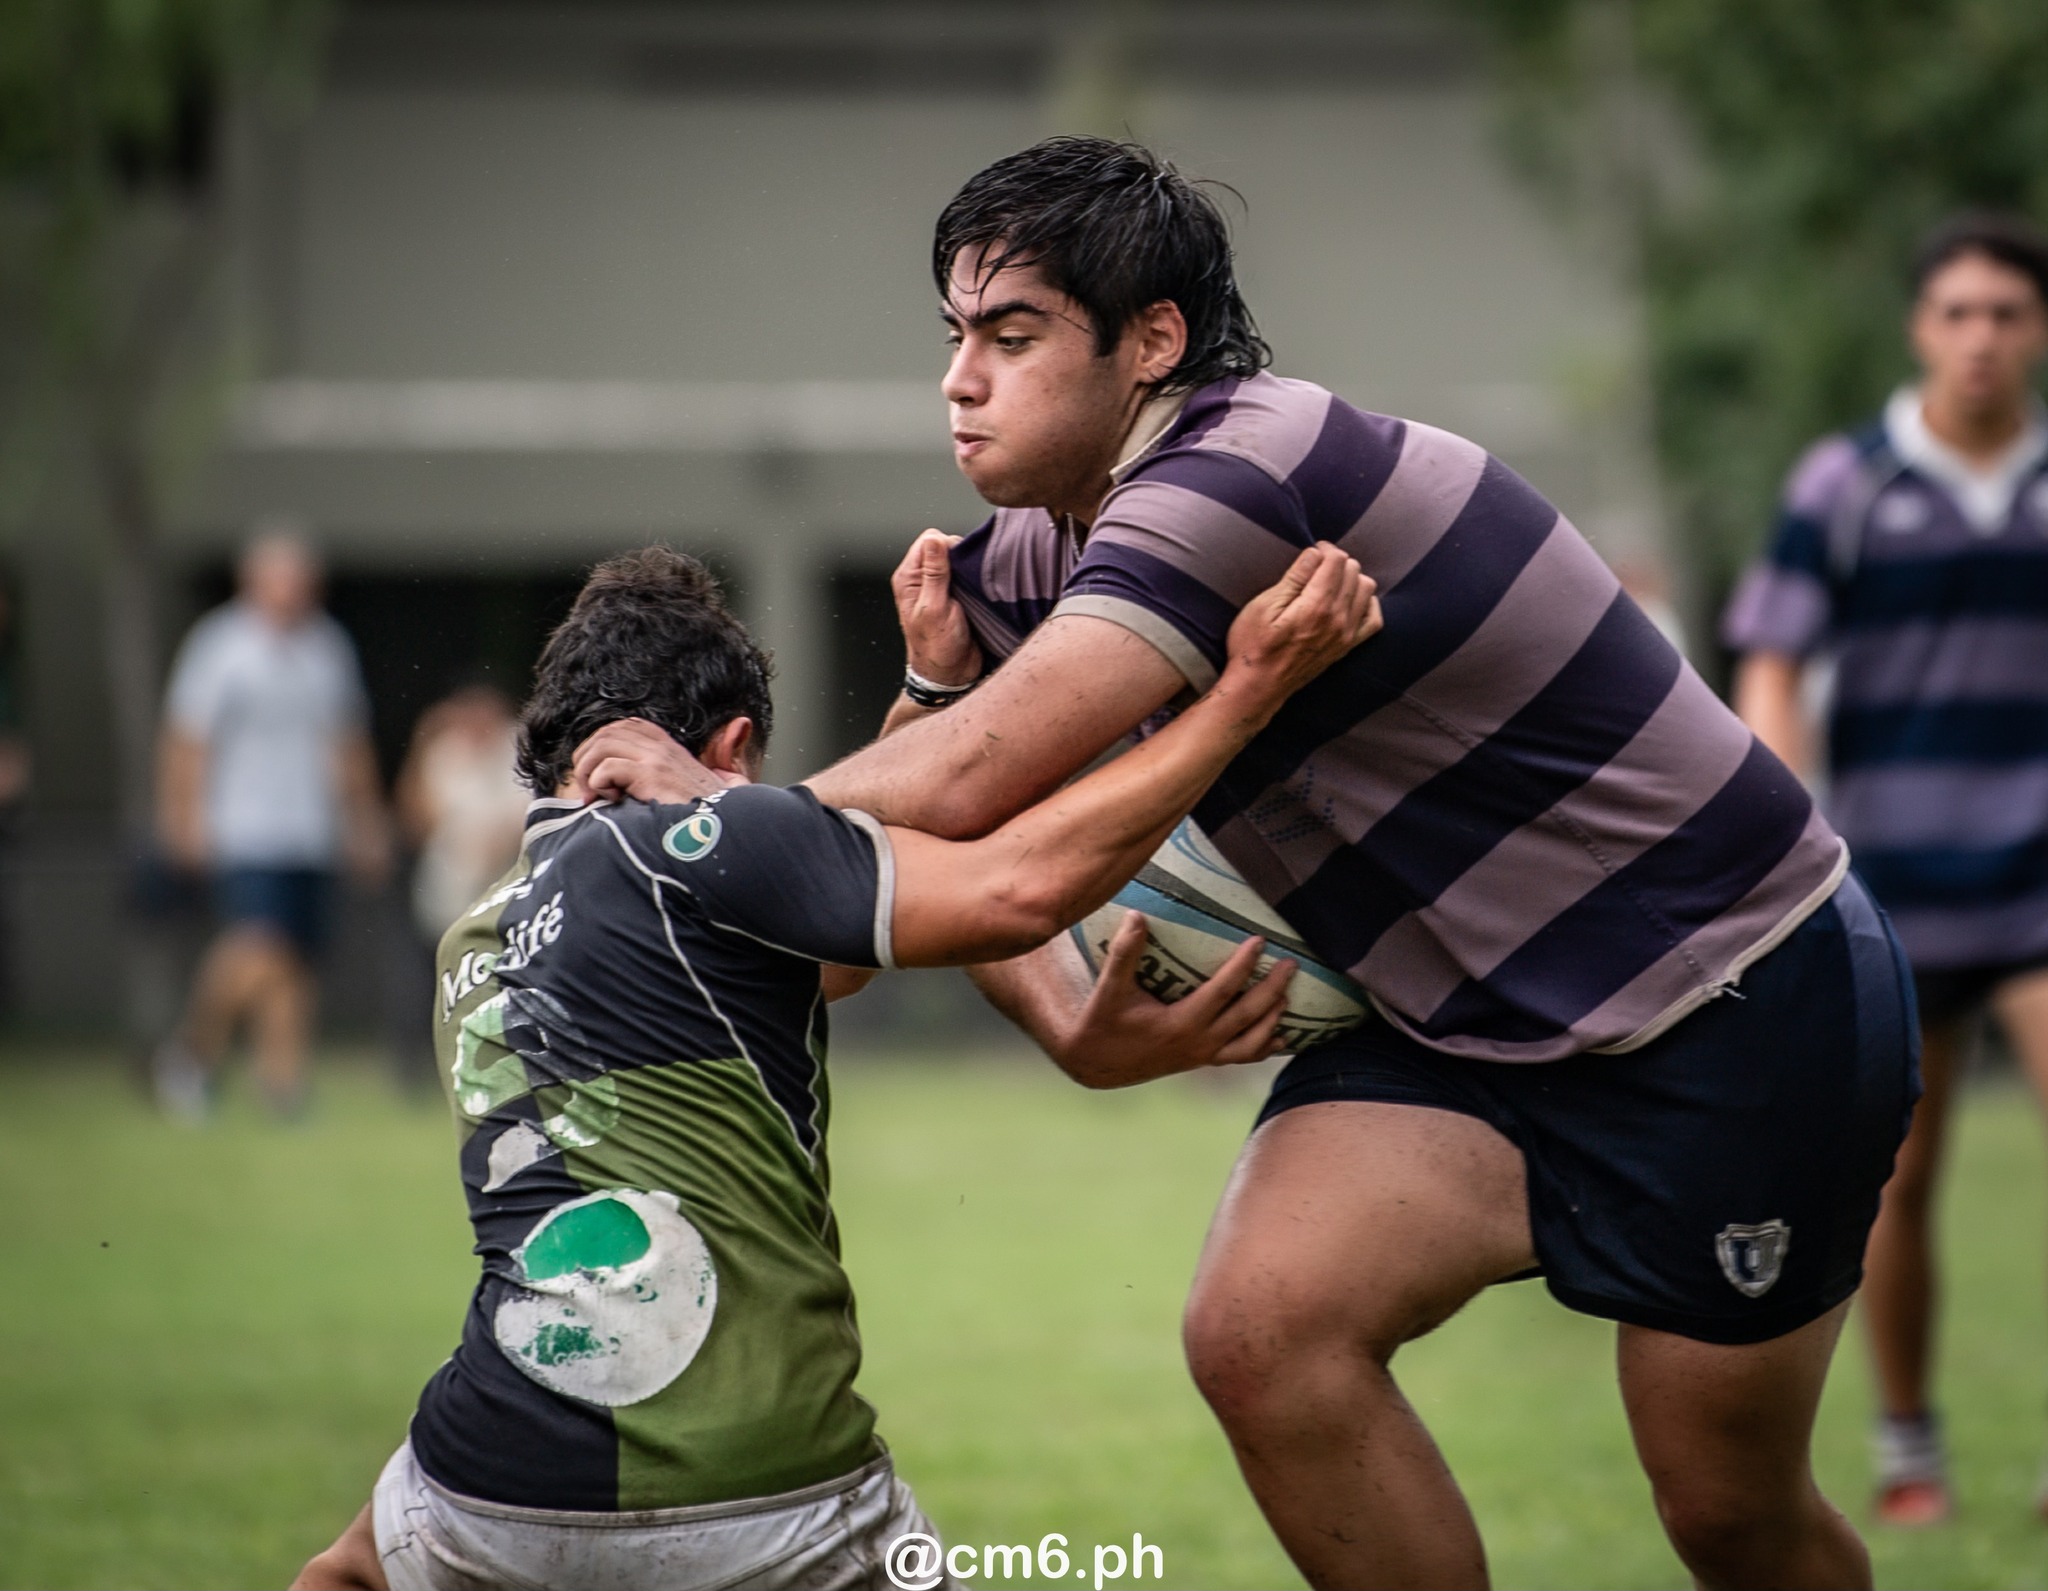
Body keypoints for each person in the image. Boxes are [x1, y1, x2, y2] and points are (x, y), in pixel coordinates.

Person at [577, 137, 1920, 1590]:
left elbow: (960, 786)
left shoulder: (1236, 475)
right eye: (956, 336)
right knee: (1262, 1330)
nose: (961, 378)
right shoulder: (1050, 539)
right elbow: (870, 888)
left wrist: (682, 832)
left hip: (1731, 997)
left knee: (1726, 1509)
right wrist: (909, 702)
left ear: (1151, 342)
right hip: (1469, 1023)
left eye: (1011, 336)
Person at [293, 543, 1378, 1591]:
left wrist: (928, 686)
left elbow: (820, 944)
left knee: (349, 1567)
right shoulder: (704, 842)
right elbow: (1014, 890)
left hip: (489, 1478)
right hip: (760, 1491)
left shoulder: (477, 933)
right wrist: (1244, 695)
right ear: (730, 749)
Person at [1724, 212, 2048, 1527]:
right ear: (1923, 328)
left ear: (2036, 331)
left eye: (2007, 313)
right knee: (1901, 1181)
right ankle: (1910, 1447)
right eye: (1959, 312)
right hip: (1893, 886)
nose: (1981, 337)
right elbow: (1772, 664)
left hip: (2039, 875)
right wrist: (1789, 832)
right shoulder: (1845, 483)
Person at [151, 529, 389, 1119]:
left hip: (310, 827)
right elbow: (186, 741)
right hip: (243, 825)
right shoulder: (220, 645)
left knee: (297, 963)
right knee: (260, 947)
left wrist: (364, 821)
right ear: (252, 581)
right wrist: (182, 816)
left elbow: (347, 742)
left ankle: (282, 1084)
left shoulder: (326, 646)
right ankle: (190, 1054)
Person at [385, 683, 529, 1092]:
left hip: (503, 884)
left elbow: (526, 815)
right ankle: (418, 1069)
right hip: (447, 885)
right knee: (429, 977)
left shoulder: (515, 749)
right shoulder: (442, 753)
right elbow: (414, 819)